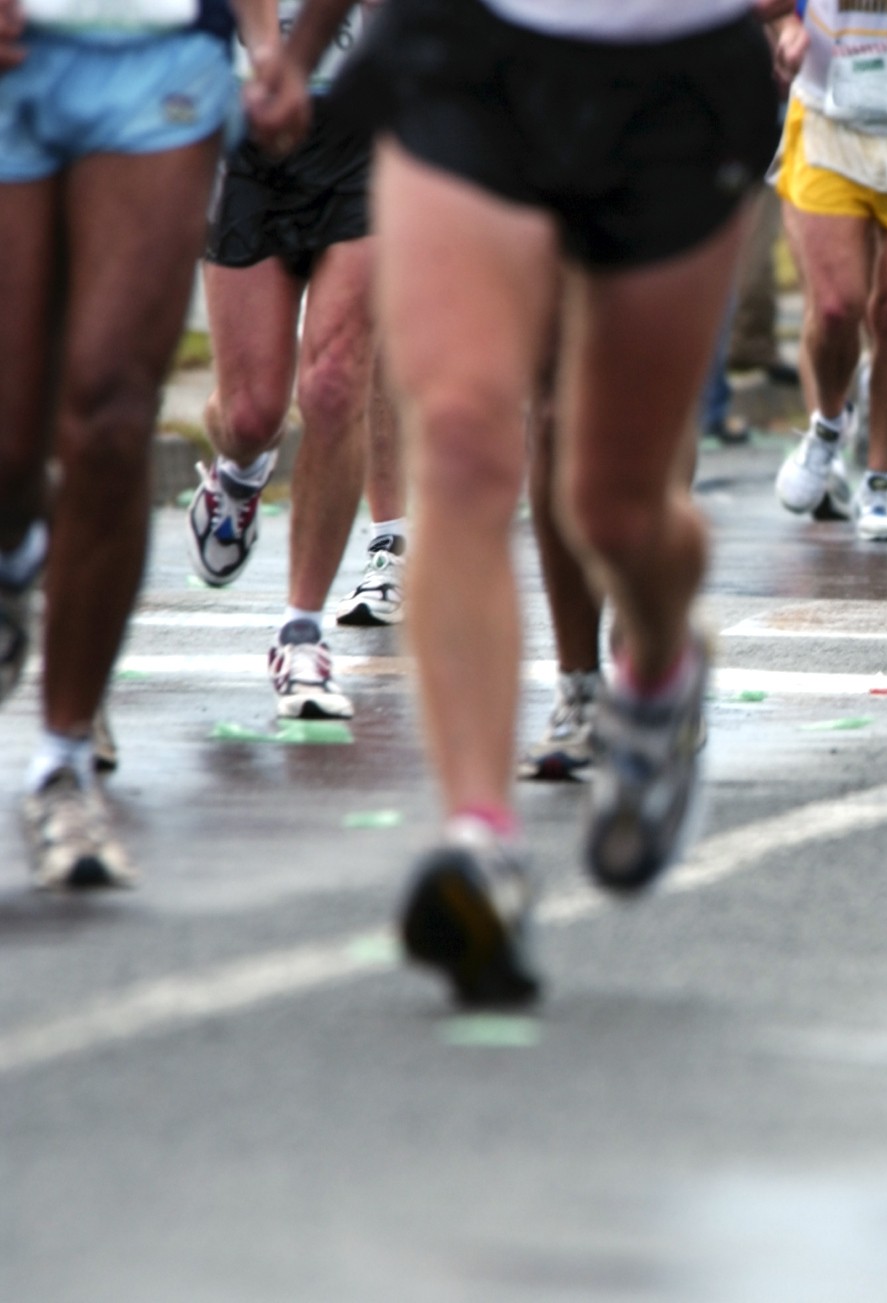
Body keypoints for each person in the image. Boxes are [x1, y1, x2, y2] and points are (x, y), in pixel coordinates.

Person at [285, 0, 783, 1006]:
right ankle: (482, 841)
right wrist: (294, 53)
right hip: (466, 49)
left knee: (612, 505)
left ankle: (657, 667)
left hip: (673, 74)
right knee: (465, 440)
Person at [0, 0, 296, 889]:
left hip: (162, 49)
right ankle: (19, 556)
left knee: (111, 413)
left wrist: (280, 46)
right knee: (12, 447)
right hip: (18, 51)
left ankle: (63, 763)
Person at [191, 0, 402, 721]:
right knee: (251, 413)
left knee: (338, 382)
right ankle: (239, 472)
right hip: (249, 118)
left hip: (362, 122)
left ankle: (302, 632)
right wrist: (261, 49)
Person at [768, 0, 887, 543]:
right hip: (829, 117)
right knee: (835, 306)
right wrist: (788, 27)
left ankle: (879, 483)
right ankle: (828, 426)